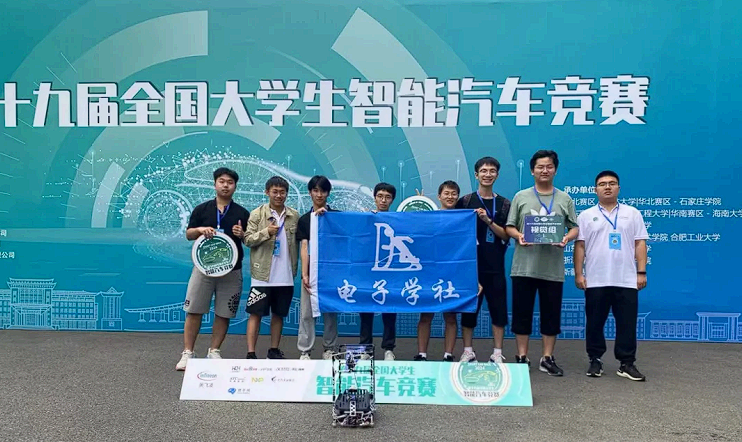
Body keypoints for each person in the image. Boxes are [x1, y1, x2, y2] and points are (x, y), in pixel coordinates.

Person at [505, 150, 578, 376]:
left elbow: (574, 227)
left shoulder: (564, 198)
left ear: (555, 170)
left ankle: (547, 358)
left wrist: (566, 238)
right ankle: (522, 356)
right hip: (524, 267)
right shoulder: (521, 196)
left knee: (551, 315)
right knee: (522, 313)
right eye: (540, 167)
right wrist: (519, 236)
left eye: (549, 166)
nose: (544, 170)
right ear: (532, 171)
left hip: (552, 268)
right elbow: (509, 226)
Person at [574, 170, 649, 381]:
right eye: (602, 184)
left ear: (618, 188)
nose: (607, 187)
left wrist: (641, 271)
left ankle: (626, 363)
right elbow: (580, 246)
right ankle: (595, 359)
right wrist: (579, 274)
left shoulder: (632, 213)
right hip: (596, 279)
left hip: (626, 279)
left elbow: (640, 243)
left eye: (612, 183)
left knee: (627, 323)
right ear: (595, 189)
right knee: (594, 323)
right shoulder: (585, 215)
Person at [176, 168, 250, 371]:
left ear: (235, 186)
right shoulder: (202, 209)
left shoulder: (242, 213)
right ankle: (188, 352)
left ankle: (214, 351)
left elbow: (250, 240)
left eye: (230, 182)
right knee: (194, 310)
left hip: (231, 270)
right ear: (215, 184)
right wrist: (200, 230)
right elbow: (189, 234)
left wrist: (242, 234)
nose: (225, 185)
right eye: (222, 181)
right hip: (204, 270)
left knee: (224, 313)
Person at [455, 157, 512, 363]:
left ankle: (497, 352)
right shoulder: (465, 201)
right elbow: (452, 228)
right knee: (469, 310)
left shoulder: (505, 204)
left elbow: (506, 235)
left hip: (495, 265)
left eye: (492, 171)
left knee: (498, 311)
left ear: (497, 175)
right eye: (484, 171)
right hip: (471, 266)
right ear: (476, 174)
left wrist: (488, 221)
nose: (488, 174)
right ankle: (468, 351)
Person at [243, 176, 300, 359]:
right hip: (262, 275)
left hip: (285, 275)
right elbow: (247, 240)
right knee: (255, 314)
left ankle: (273, 350)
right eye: (275, 192)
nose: (279, 195)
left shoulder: (294, 215)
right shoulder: (257, 214)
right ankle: (251, 352)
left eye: (282, 192)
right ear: (267, 192)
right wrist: (266, 232)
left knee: (278, 314)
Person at [414, 180, 464, 362]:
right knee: (425, 315)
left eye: (453, 194)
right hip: (429, 273)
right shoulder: (430, 216)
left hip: (452, 273)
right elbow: (414, 231)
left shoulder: (463, 219)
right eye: (446, 193)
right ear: (439, 196)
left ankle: (448, 354)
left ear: (457, 197)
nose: (450, 197)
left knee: (450, 317)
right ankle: (422, 354)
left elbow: (468, 247)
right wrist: (420, 205)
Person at [297, 175, 339, 360]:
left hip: (331, 274)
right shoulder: (304, 220)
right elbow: (304, 247)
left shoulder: (336, 217)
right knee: (306, 313)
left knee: (330, 312)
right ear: (310, 193)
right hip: (311, 273)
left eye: (323, 191)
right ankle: (305, 350)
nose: (319, 194)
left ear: (328, 193)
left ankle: (329, 348)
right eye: (315, 190)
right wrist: (304, 274)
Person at [359, 182, 398, 360]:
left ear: (392, 200)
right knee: (365, 310)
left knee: (390, 311)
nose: (383, 200)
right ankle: (365, 348)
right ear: (374, 198)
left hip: (390, 272)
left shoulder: (398, 220)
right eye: (380, 196)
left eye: (387, 197)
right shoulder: (366, 218)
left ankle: (389, 349)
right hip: (368, 272)